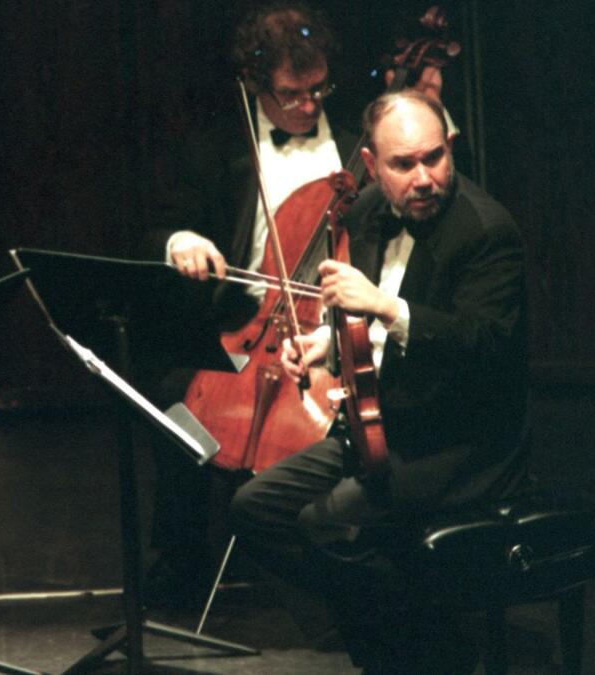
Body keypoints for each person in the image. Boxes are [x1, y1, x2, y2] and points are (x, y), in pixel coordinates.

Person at [140, 1, 448, 607]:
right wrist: (185, 242)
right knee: (172, 400)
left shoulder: (364, 150)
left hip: (339, 324)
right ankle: (179, 564)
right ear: (256, 85)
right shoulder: (213, 150)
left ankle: (343, 572)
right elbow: (161, 230)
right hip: (243, 323)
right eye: (291, 95)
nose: (309, 106)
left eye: (318, 90)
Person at [228, 90, 527, 673]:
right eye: (403, 164)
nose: (423, 178)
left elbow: (485, 345)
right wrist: (324, 348)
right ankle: (410, 639)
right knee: (253, 508)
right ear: (371, 165)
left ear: (451, 148)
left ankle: (409, 654)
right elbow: (362, 329)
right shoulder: (364, 213)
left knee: (330, 522)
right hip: (377, 427)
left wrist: (389, 308)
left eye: (434, 158)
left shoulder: (488, 231)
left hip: (460, 443)